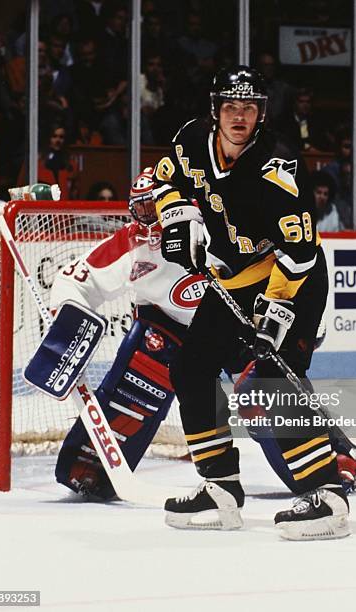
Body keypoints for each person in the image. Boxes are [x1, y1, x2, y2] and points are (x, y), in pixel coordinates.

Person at [153, 66, 351, 540]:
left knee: (267, 382)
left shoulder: (276, 166)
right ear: (215, 109)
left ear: (261, 113)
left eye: (249, 108)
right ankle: (220, 487)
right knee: (191, 367)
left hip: (293, 281)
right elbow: (164, 180)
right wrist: (177, 218)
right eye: (230, 107)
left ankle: (328, 495)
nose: (239, 117)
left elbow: (300, 253)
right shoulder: (191, 139)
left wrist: (274, 314)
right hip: (234, 279)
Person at [51, 168, 209, 500]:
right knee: (136, 385)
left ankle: (324, 457)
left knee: (263, 390)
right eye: (142, 208)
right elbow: (75, 279)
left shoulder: (210, 222)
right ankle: (91, 467)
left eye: (155, 207)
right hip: (167, 326)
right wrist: (66, 319)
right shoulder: (131, 241)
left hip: (226, 324)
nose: (149, 217)